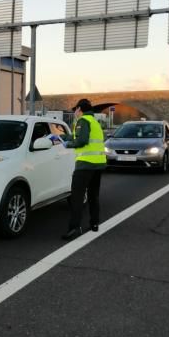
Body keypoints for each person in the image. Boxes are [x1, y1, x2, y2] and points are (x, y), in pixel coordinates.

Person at [62, 98, 107, 241]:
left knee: (77, 197)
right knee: (93, 195)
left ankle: (73, 228)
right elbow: (79, 136)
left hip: (85, 164)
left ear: (79, 109)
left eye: (75, 109)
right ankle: (94, 224)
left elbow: (81, 141)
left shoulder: (83, 121)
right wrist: (61, 136)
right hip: (98, 164)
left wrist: (67, 144)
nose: (75, 112)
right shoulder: (94, 122)